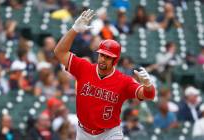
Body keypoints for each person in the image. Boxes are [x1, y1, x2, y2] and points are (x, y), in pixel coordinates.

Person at [54, 9, 156, 140]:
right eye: (101, 54)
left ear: (115, 60)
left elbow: (149, 95)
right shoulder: (84, 68)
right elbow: (59, 52)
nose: (103, 59)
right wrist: (74, 30)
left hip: (109, 133)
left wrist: (148, 85)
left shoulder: (123, 81)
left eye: (108, 57)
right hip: (83, 132)